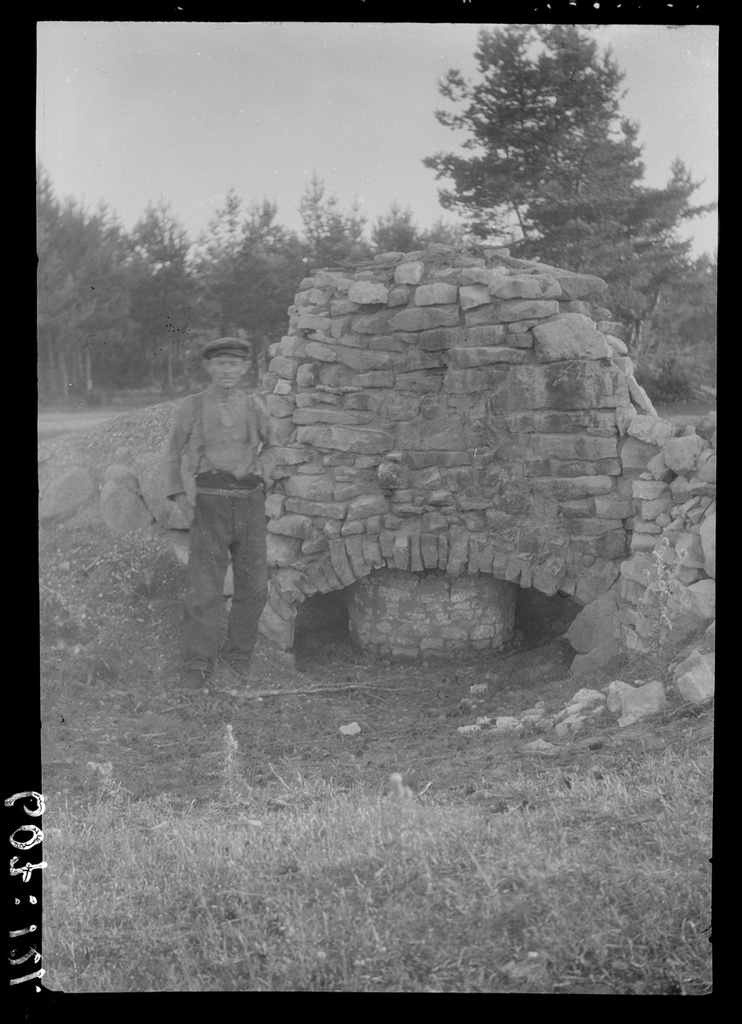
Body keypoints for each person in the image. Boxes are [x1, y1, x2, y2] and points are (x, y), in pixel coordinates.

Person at [164, 338, 279, 689]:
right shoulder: (192, 406)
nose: (227, 371)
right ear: (209, 367)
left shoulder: (255, 406)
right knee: (204, 589)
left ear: (245, 368)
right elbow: (171, 453)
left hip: (249, 503)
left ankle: (238, 657)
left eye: (234, 364)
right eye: (220, 364)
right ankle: (197, 666)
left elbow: (273, 447)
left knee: (256, 586)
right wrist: (179, 497)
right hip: (210, 503)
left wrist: (262, 472)